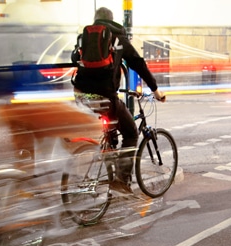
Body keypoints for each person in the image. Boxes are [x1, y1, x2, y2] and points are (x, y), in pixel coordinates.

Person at [71, 7, 166, 194]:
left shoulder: (84, 38)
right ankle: (122, 182)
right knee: (130, 133)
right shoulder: (119, 39)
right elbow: (139, 64)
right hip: (104, 96)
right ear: (112, 20)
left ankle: (109, 156)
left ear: (96, 20)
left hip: (81, 95)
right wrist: (155, 90)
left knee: (112, 127)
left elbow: (75, 58)